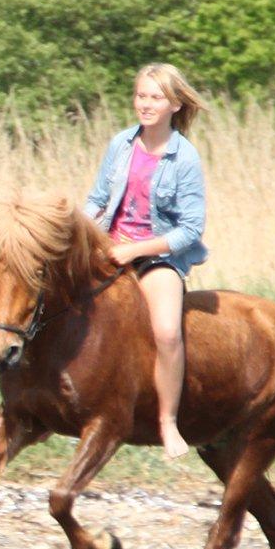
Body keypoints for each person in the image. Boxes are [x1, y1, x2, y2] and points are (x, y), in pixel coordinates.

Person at [84, 63, 208, 460]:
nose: (146, 104)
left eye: (155, 97)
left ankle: (167, 422)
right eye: (141, 96)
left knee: (168, 332)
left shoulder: (184, 158)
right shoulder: (121, 143)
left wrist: (136, 250)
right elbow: (98, 199)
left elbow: (190, 230)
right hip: (109, 245)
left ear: (174, 104)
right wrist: (82, 232)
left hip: (155, 256)